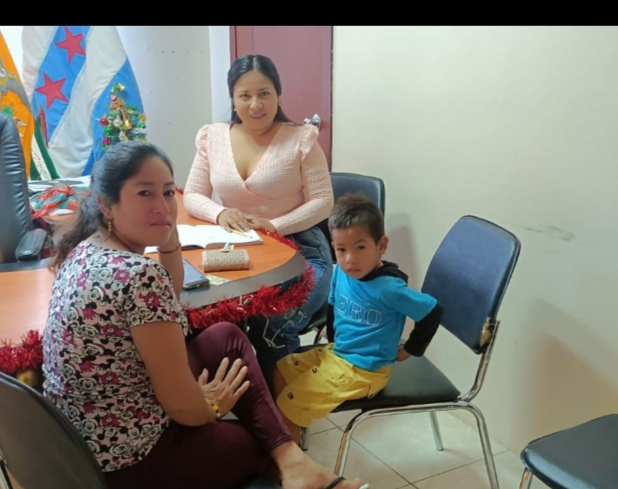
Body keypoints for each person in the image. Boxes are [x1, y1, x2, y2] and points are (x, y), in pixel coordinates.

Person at [42, 141, 365, 489]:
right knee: (255, 442)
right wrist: (211, 406)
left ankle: (295, 464)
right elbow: (182, 407)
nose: (162, 206)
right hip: (127, 462)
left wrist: (168, 241)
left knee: (225, 336)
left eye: (168, 192)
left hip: (81, 442)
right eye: (145, 193)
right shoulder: (137, 276)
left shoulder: (87, 248)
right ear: (106, 204)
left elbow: (168, 295)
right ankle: (295, 466)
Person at [183, 54, 333, 386]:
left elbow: (324, 201)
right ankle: (229, 397)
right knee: (210, 314)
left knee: (271, 323)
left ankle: (286, 408)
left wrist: (276, 226)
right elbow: (192, 194)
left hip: (303, 250)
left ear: (278, 94)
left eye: (264, 93)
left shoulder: (301, 138)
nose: (255, 105)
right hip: (241, 249)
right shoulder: (212, 137)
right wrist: (220, 212)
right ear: (233, 99)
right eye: (245, 95)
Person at [273, 194, 444, 442]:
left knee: (289, 404)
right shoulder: (342, 272)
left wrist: (410, 349)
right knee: (280, 369)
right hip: (338, 354)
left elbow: (432, 311)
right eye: (341, 249)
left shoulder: (389, 288)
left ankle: (288, 452)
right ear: (334, 247)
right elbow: (332, 306)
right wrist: (333, 342)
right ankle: (293, 435)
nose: (350, 259)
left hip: (365, 371)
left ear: (381, 245)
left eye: (360, 247)